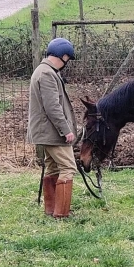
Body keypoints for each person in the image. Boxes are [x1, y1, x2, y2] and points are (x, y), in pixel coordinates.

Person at [27, 37, 78, 219]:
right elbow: (53, 107)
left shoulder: (42, 70)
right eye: (68, 59)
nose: (67, 63)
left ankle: (51, 210)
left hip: (46, 132)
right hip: (52, 132)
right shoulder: (47, 73)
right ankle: (62, 213)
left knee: (53, 167)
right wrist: (66, 130)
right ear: (63, 56)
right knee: (68, 167)